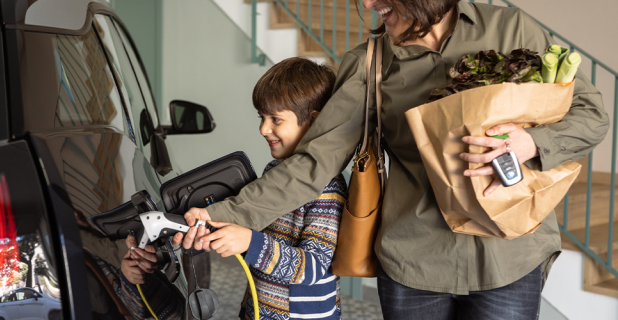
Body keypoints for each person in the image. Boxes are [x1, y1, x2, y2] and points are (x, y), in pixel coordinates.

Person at [174, 1, 609, 319]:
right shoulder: (369, 63)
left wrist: (529, 143)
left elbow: (591, 114)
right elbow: (313, 162)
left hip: (510, 254)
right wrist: (221, 215)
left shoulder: (511, 28)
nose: (368, 5)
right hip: (414, 263)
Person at [193, 57, 347, 320]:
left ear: (313, 122)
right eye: (262, 117)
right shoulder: (274, 171)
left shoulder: (327, 187)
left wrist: (250, 242)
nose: (264, 128)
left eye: (276, 119)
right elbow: (263, 246)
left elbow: (315, 268)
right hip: (260, 309)